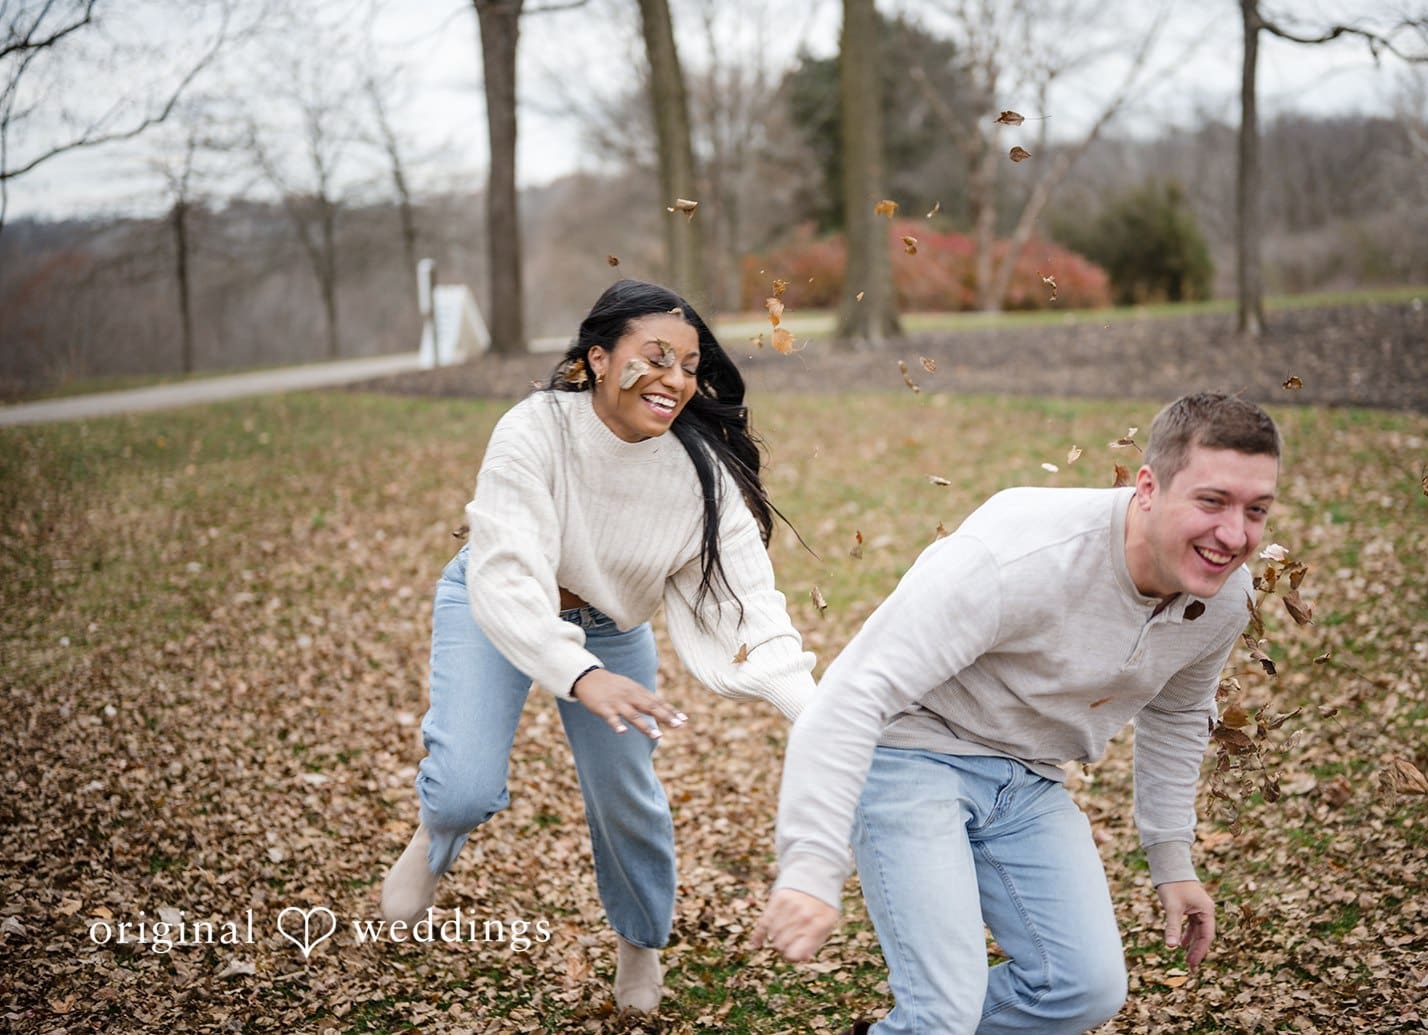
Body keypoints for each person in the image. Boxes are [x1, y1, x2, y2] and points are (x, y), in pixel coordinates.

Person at [754, 392, 1282, 1034]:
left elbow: (1178, 713)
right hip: (910, 753)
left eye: (1256, 510)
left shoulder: (1225, 595)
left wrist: (1172, 861)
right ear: (1148, 487)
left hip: (1028, 776)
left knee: (1082, 989)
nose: (1235, 535)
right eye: (1211, 501)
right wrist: (812, 866)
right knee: (944, 1010)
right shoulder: (1019, 554)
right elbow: (852, 695)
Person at [382, 279, 817, 1013]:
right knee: (462, 784)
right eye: (655, 357)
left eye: (688, 363)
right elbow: (509, 575)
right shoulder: (535, 429)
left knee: (627, 799)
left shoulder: (701, 476)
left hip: (612, 626)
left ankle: (640, 943)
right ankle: (437, 832)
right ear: (596, 360)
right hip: (496, 600)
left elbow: (750, 609)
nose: (676, 379)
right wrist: (579, 676)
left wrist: (813, 709)